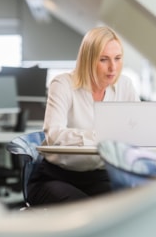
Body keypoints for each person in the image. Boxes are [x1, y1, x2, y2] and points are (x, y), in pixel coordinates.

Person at [27, 26, 140, 206]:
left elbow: (138, 129)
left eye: (117, 59)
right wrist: (101, 137)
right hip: (56, 177)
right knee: (86, 211)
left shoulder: (125, 86)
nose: (113, 67)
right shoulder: (63, 84)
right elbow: (54, 135)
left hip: (101, 176)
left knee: (128, 206)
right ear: (88, 60)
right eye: (104, 60)